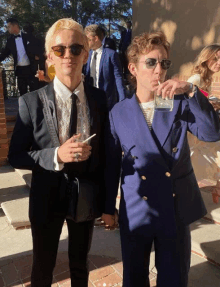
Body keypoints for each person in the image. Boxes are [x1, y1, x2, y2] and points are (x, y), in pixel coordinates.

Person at [102, 31, 220, 287]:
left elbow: (212, 133)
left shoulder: (179, 101)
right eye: (151, 62)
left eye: (164, 63)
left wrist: (190, 89)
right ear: (133, 68)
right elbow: (112, 164)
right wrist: (107, 206)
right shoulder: (118, 112)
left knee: (174, 279)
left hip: (174, 206)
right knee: (134, 278)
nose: (159, 70)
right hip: (136, 207)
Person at [8, 18, 107, 286]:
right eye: (60, 49)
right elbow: (16, 155)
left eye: (75, 49)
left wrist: (108, 205)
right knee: (43, 266)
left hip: (85, 193)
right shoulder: (30, 102)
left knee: (80, 264)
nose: (68, 55)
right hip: (46, 195)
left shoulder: (100, 100)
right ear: (50, 56)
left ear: (85, 55)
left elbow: (108, 155)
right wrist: (55, 156)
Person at [187, 44, 220, 203]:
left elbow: (201, 103)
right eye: (215, 58)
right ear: (206, 59)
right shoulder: (196, 79)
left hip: (200, 130)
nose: (219, 62)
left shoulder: (207, 79)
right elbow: (187, 103)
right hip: (194, 132)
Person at [84, 24, 126, 110]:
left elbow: (118, 78)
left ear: (95, 38)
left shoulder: (111, 54)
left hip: (107, 101)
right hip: (90, 100)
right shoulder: (87, 55)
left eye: (88, 40)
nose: (86, 42)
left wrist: (123, 100)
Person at [0, 18, 44, 96]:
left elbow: (39, 46)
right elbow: (4, 54)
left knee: (34, 91)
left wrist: (38, 56)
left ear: (15, 25)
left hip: (31, 69)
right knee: (22, 93)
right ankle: (25, 108)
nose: (7, 29)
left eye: (9, 26)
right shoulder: (10, 41)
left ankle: (35, 108)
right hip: (20, 71)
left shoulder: (28, 36)